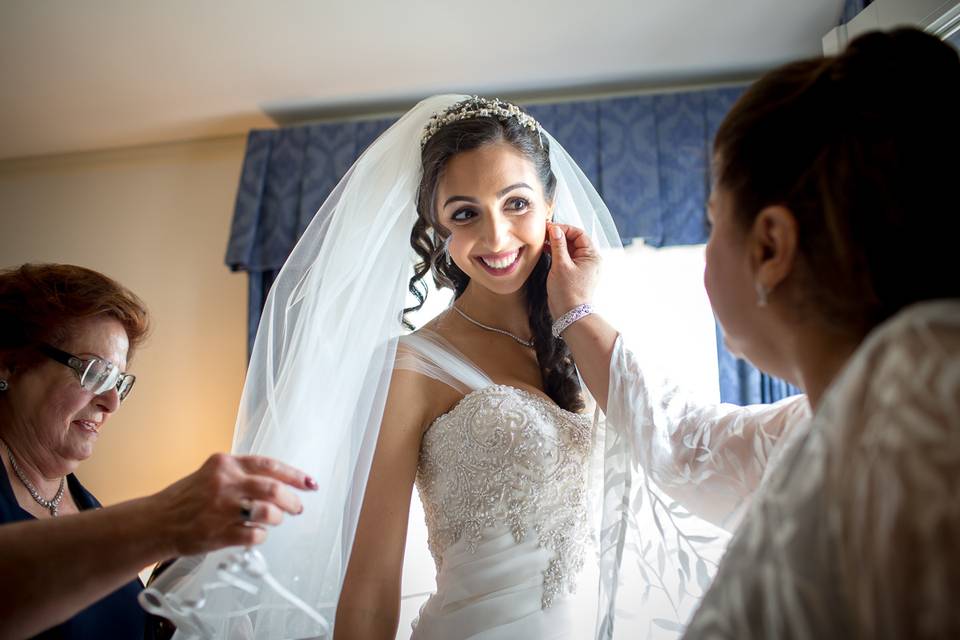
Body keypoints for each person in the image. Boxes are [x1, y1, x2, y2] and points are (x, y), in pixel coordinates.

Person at [148, 95, 743, 639]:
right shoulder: (410, 365)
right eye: (464, 214)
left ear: (550, 205)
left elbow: (674, 448)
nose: (496, 235)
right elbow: (370, 583)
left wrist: (575, 310)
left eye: (516, 204)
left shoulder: (582, 343)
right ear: (436, 228)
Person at [546, 28, 960, 638]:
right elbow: (683, 439)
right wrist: (574, 312)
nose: (708, 252)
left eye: (714, 224)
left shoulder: (921, 411)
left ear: (770, 246)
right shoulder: (827, 419)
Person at [0, 263, 318, 639]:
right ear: (10, 363)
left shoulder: (82, 502)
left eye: (119, 381)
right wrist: (166, 518)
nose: (112, 401)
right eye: (95, 373)